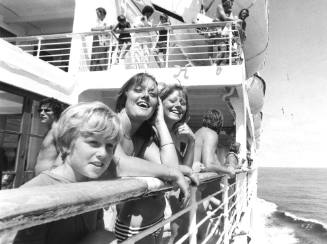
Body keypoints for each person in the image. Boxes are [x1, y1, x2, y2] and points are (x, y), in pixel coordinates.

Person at [14, 101, 122, 244]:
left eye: (109, 146)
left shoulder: (93, 187)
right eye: (93, 142)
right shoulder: (37, 192)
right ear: (66, 144)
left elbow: (97, 233)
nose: (103, 153)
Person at [110, 73, 191, 243]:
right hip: (131, 228)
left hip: (155, 222)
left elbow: (171, 167)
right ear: (125, 94)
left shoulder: (139, 139)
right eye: (138, 90)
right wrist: (173, 173)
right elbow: (120, 163)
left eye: (153, 94)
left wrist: (160, 121)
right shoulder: (110, 124)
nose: (146, 95)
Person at [160, 84, 198, 243]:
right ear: (160, 102)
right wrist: (188, 171)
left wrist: (192, 141)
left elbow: (184, 167)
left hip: (162, 208)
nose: (178, 106)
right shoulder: (154, 130)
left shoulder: (175, 134)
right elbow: (168, 168)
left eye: (182, 103)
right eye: (172, 100)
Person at [193, 109, 235, 241]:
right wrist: (228, 171)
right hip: (196, 186)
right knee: (201, 230)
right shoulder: (211, 134)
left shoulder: (199, 132)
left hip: (194, 186)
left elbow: (210, 160)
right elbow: (208, 163)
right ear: (219, 123)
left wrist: (223, 167)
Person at [34, 97, 65, 176]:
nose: (42, 113)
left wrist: (51, 176)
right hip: (41, 179)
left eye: (47, 110)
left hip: (49, 180)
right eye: (40, 110)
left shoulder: (57, 130)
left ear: (56, 113)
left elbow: (63, 154)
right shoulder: (49, 131)